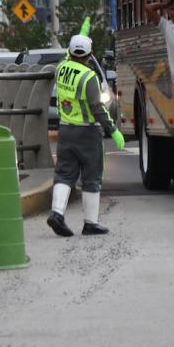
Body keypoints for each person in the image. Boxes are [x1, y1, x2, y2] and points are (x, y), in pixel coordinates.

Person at [47, 34, 126, 237]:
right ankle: (90, 223)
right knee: (92, 177)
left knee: (64, 174)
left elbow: (65, 59)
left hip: (65, 129)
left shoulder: (61, 69)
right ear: (90, 55)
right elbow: (97, 108)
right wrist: (113, 129)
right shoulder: (89, 77)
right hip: (87, 132)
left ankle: (57, 213)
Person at [144, 0, 174, 155]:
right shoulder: (166, 26)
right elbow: (149, 8)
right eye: (172, 9)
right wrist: (164, 4)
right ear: (167, 12)